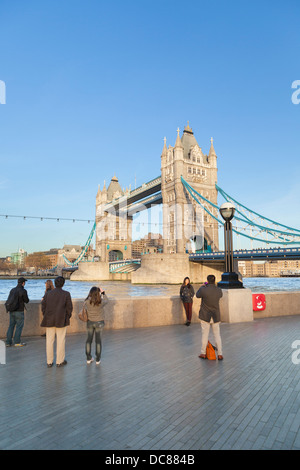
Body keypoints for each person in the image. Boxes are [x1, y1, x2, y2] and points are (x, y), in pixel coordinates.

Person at [41, 276, 73, 367]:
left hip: (49, 319)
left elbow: (43, 306)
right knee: (61, 340)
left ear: (55, 283)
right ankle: (60, 361)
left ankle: (49, 362)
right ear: (63, 284)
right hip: (61, 320)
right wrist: (67, 317)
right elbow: (69, 308)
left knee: (49, 341)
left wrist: (46, 315)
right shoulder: (66, 294)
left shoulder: (48, 294)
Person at [196, 274, 224, 360]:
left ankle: (203, 353)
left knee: (205, 335)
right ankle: (219, 354)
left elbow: (197, 295)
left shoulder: (203, 289)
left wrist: (202, 286)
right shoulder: (219, 290)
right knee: (217, 335)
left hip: (205, 315)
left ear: (207, 281)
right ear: (214, 281)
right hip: (215, 316)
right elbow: (220, 295)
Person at [83, 286, 108, 365]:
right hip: (99, 323)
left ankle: (88, 358)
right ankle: (97, 359)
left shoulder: (87, 301)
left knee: (88, 340)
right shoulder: (100, 302)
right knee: (98, 341)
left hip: (90, 322)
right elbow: (107, 300)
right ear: (98, 293)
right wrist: (103, 293)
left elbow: (86, 305)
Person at [5, 277, 29, 347]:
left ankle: (8, 342)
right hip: (19, 311)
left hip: (11, 310)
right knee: (19, 326)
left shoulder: (12, 290)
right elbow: (26, 300)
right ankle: (17, 342)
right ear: (23, 283)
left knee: (11, 326)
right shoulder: (23, 290)